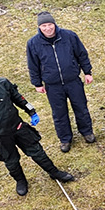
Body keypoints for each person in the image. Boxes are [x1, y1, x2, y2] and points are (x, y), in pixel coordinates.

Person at [0, 61, 75, 196]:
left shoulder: (3, 83)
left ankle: (54, 172)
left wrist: (31, 111)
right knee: (11, 161)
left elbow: (18, 97)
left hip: (18, 126)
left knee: (37, 151)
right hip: (0, 135)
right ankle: (21, 181)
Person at [26, 12, 95, 153]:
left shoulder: (69, 36)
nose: (47, 28)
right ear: (39, 27)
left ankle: (87, 132)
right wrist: (37, 83)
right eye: (44, 26)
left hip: (73, 81)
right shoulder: (33, 43)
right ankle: (65, 139)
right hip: (53, 86)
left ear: (54, 24)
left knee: (81, 108)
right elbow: (33, 64)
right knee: (59, 113)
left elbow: (81, 54)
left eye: (49, 24)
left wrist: (87, 72)